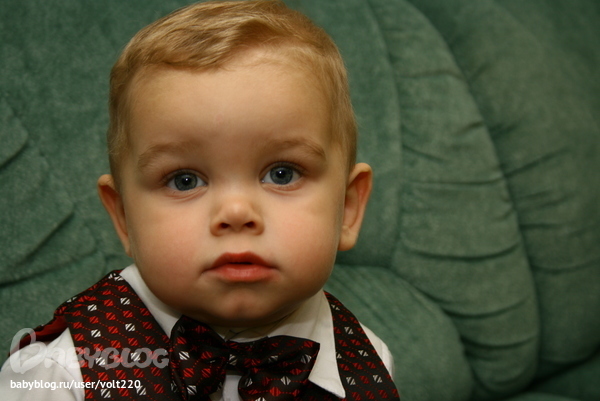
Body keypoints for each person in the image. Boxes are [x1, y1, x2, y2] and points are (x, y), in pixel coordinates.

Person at [0, 1, 399, 399]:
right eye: (184, 180)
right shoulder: (58, 374)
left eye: (283, 173)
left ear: (347, 209)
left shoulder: (366, 360)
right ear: (123, 217)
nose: (236, 212)